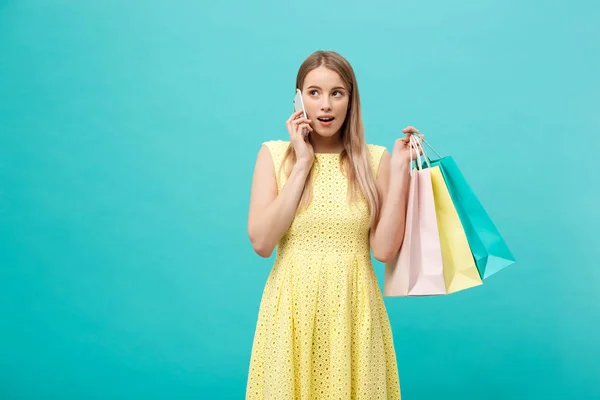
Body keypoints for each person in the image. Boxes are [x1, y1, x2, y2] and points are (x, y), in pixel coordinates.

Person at [246, 50, 421, 399]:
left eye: (336, 93)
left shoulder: (375, 160)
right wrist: (302, 164)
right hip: (291, 311)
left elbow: (384, 250)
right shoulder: (274, 155)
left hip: (354, 310)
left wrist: (400, 170)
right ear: (298, 99)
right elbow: (262, 243)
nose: (325, 105)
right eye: (314, 93)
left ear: (350, 100)